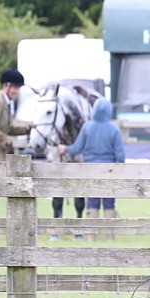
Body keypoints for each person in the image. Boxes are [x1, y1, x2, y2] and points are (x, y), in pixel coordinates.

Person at [57, 98, 126, 233]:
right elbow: (121, 157)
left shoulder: (87, 127)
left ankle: (91, 235)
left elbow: (77, 148)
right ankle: (109, 236)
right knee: (109, 201)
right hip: (109, 171)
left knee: (92, 200)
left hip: (90, 170)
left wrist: (65, 148)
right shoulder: (114, 130)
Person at [0, 69, 33, 163]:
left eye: (19, 88)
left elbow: (8, 128)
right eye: (15, 88)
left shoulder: (7, 102)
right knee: (3, 172)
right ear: (5, 86)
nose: (17, 91)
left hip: (1, 148)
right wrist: (5, 140)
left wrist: (27, 129)